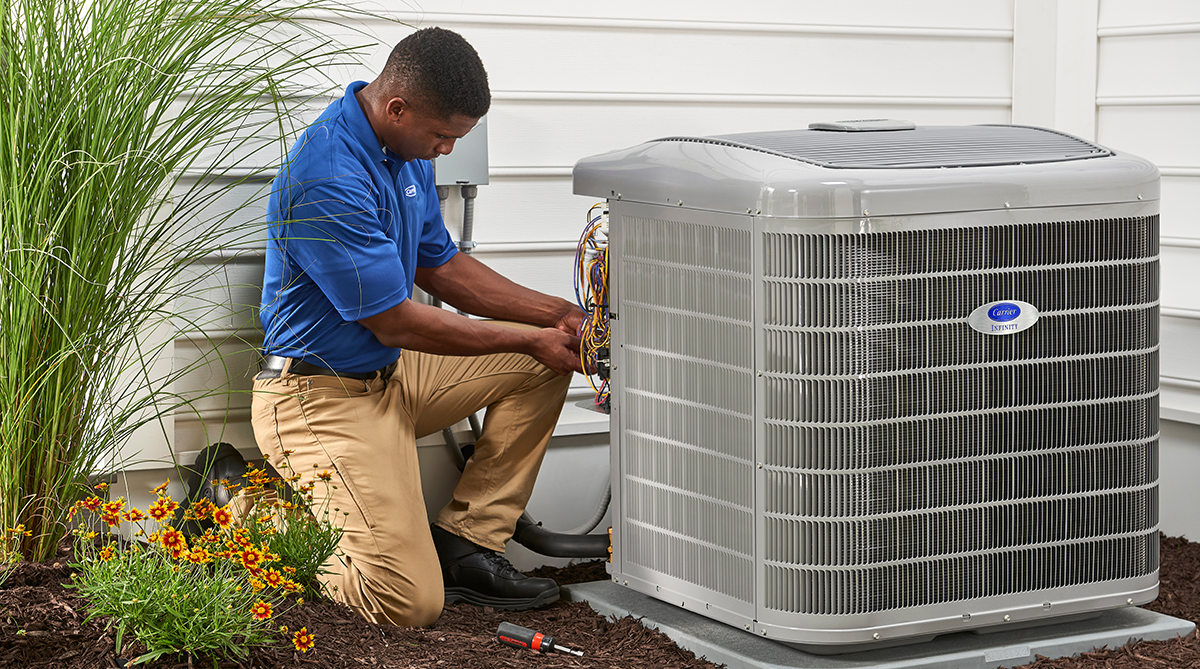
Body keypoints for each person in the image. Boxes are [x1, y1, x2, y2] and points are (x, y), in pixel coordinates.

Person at [250, 26, 587, 627]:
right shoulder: (328, 174)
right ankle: (242, 511)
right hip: (318, 397)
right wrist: (527, 335)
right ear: (397, 108)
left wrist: (557, 316)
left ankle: (468, 543)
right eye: (441, 135)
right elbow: (395, 321)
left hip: (391, 378)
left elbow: (442, 266)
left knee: (539, 362)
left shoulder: (404, 155)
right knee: (405, 602)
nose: (447, 151)